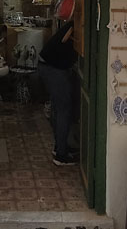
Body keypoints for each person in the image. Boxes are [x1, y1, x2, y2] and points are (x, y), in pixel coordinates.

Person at [38, 20, 79, 166]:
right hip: (53, 68)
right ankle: (61, 155)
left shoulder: (76, 23)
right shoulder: (79, 26)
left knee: (58, 109)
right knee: (63, 110)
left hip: (48, 65)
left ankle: (60, 147)